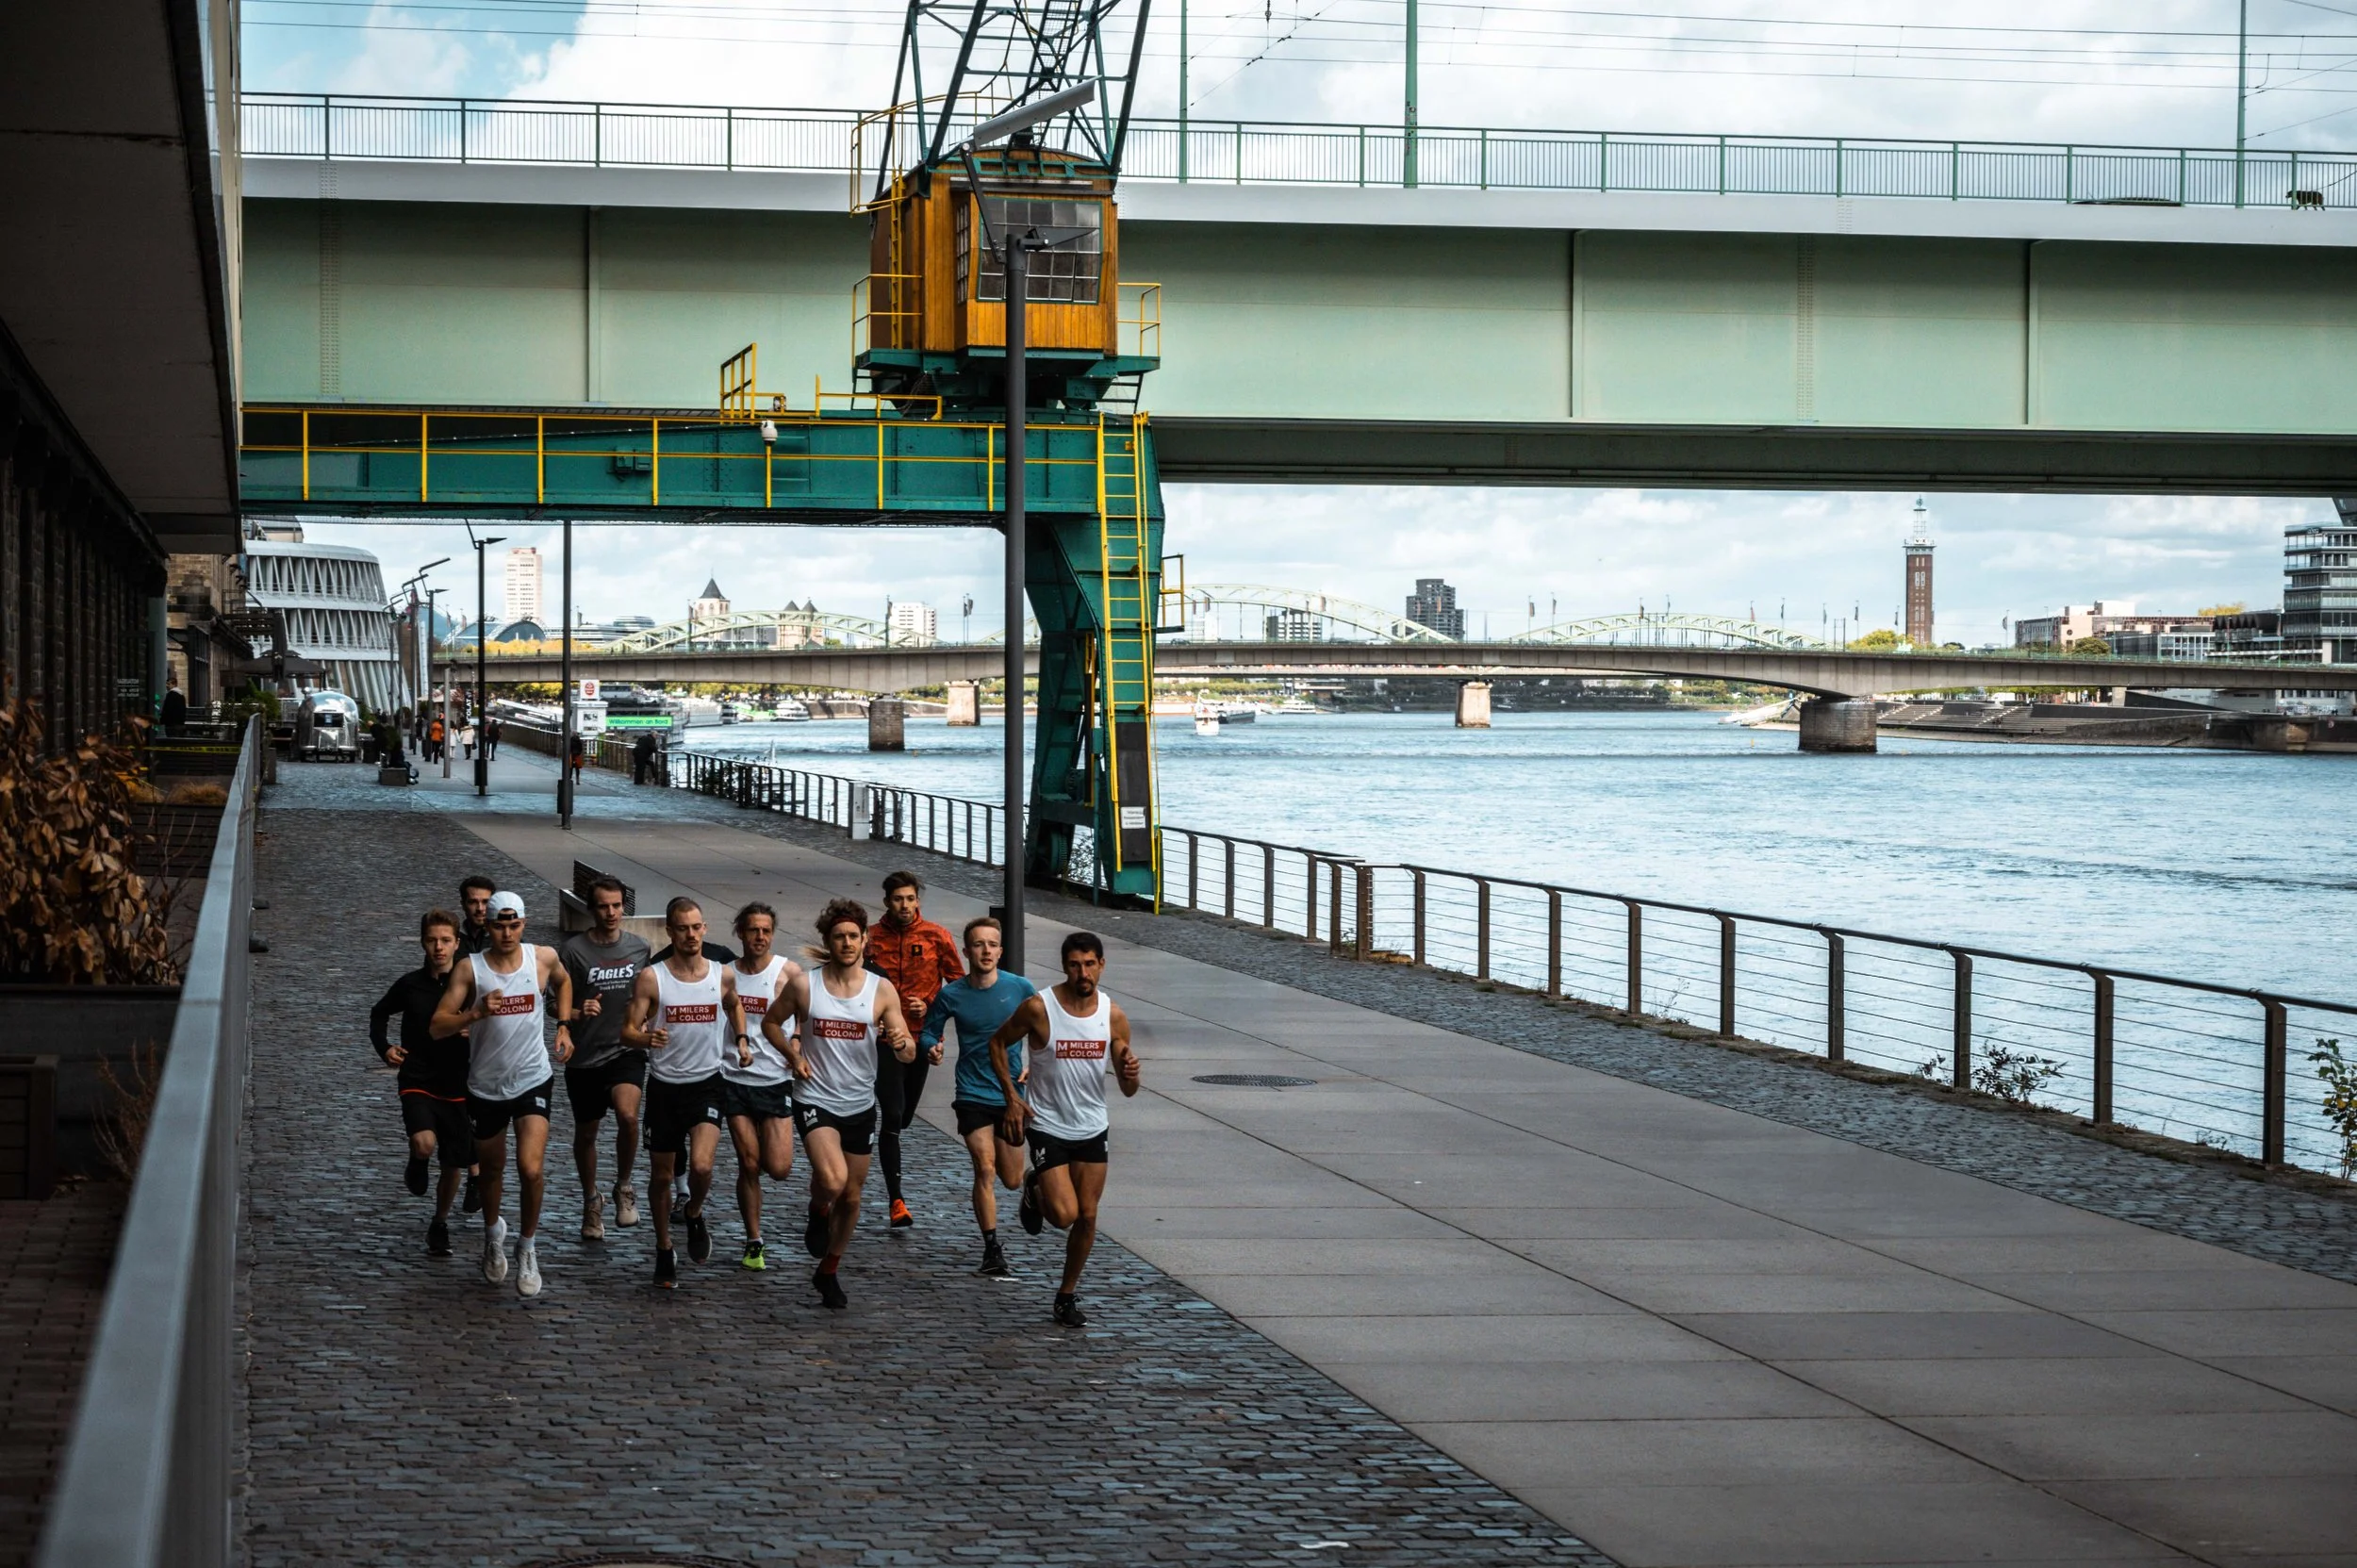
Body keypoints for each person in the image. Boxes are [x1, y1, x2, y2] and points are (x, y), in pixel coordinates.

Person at [766, 898, 915, 1311]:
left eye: (854, 936)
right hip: (815, 1097)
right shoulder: (804, 986)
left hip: (860, 1103)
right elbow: (770, 1023)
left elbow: (906, 1048)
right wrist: (794, 1057)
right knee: (832, 1181)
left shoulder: (880, 990)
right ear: (828, 942)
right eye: (839, 937)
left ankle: (829, 1269)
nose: (847, 943)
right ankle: (817, 1208)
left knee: (851, 1197)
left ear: (865, 940)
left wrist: (902, 1044)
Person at [989, 931, 1139, 1329]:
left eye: (1090, 964)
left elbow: (1128, 1089)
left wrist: (1131, 1073)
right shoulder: (1040, 1008)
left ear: (1102, 965)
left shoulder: (1113, 1016)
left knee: (1088, 1217)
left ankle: (1066, 1295)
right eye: (1075, 964)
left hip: (1092, 1125)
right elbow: (998, 1044)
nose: (1083, 972)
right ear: (1064, 966)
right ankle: (1034, 1188)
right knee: (1064, 1216)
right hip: (1048, 1123)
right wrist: (1012, 1098)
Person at [429, 890, 573, 1297]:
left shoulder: (540, 958)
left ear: (523, 923)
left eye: (514, 925)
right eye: (498, 925)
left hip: (532, 1077)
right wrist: (475, 1013)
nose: (507, 932)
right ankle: (494, 1234)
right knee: (491, 1170)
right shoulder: (469, 970)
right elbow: (437, 1026)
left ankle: (527, 1247)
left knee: (531, 1168)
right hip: (486, 1086)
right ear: (486, 926)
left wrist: (564, 1025)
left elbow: (564, 982)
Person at [621, 897, 746, 1290]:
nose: (690, 935)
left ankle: (693, 1211)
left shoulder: (721, 974)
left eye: (696, 927)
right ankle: (663, 1247)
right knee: (660, 1177)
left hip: (707, 1082)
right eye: (682, 928)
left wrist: (741, 1039)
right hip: (664, 1088)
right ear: (670, 932)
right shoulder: (652, 978)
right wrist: (646, 1038)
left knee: (703, 1166)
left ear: (704, 929)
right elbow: (627, 1031)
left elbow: (734, 1003)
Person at [918, 916, 1037, 1277]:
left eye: (992, 944)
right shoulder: (952, 993)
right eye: (979, 944)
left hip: (1009, 1094)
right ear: (967, 951)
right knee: (984, 1168)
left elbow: (1044, 1029)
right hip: (971, 1091)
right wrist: (931, 1048)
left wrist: (1035, 1062)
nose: (986, 951)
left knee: (1012, 1178)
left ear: (1000, 951)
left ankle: (1031, 1184)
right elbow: (929, 1031)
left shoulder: (1020, 988)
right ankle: (992, 1248)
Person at [368, 909, 472, 1255]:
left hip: (458, 1082)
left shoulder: (471, 987)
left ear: (457, 943)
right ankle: (418, 1159)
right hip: (418, 1077)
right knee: (425, 1143)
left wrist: (476, 1028)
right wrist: (385, 1048)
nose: (438, 948)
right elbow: (379, 1012)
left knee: (454, 1162)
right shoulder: (410, 983)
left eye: (445, 941)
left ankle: (439, 1222)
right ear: (423, 943)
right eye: (432, 941)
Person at [863, 871, 963, 1229]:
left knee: (902, 1117)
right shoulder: (871, 939)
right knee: (891, 1114)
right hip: (882, 1040)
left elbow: (958, 987)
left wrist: (931, 1005)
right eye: (897, 899)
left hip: (919, 1039)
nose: (904, 906)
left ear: (918, 900)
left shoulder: (937, 936)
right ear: (886, 901)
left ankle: (875, 1134)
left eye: (910, 899)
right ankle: (897, 1200)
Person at [560, 876, 651, 1240]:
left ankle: (625, 1186)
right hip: (584, 1056)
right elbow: (554, 1005)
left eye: (616, 905)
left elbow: (650, 994)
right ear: (590, 908)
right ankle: (591, 1200)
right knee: (587, 1134)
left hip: (625, 1049)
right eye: (603, 906)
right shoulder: (573, 951)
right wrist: (578, 1011)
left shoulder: (640, 948)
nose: (611, 912)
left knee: (629, 1116)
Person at [722, 902, 802, 1270]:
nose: (760, 937)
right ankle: (754, 1241)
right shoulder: (725, 975)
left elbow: (805, 1016)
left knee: (780, 1167)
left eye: (766, 930)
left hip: (774, 1079)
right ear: (740, 932)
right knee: (749, 1163)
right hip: (734, 1078)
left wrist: (797, 1042)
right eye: (753, 930)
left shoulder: (787, 972)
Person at [457, 875, 497, 955]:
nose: (480, 908)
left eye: (486, 902)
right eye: (473, 902)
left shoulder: (505, 938)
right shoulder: (450, 938)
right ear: (463, 905)